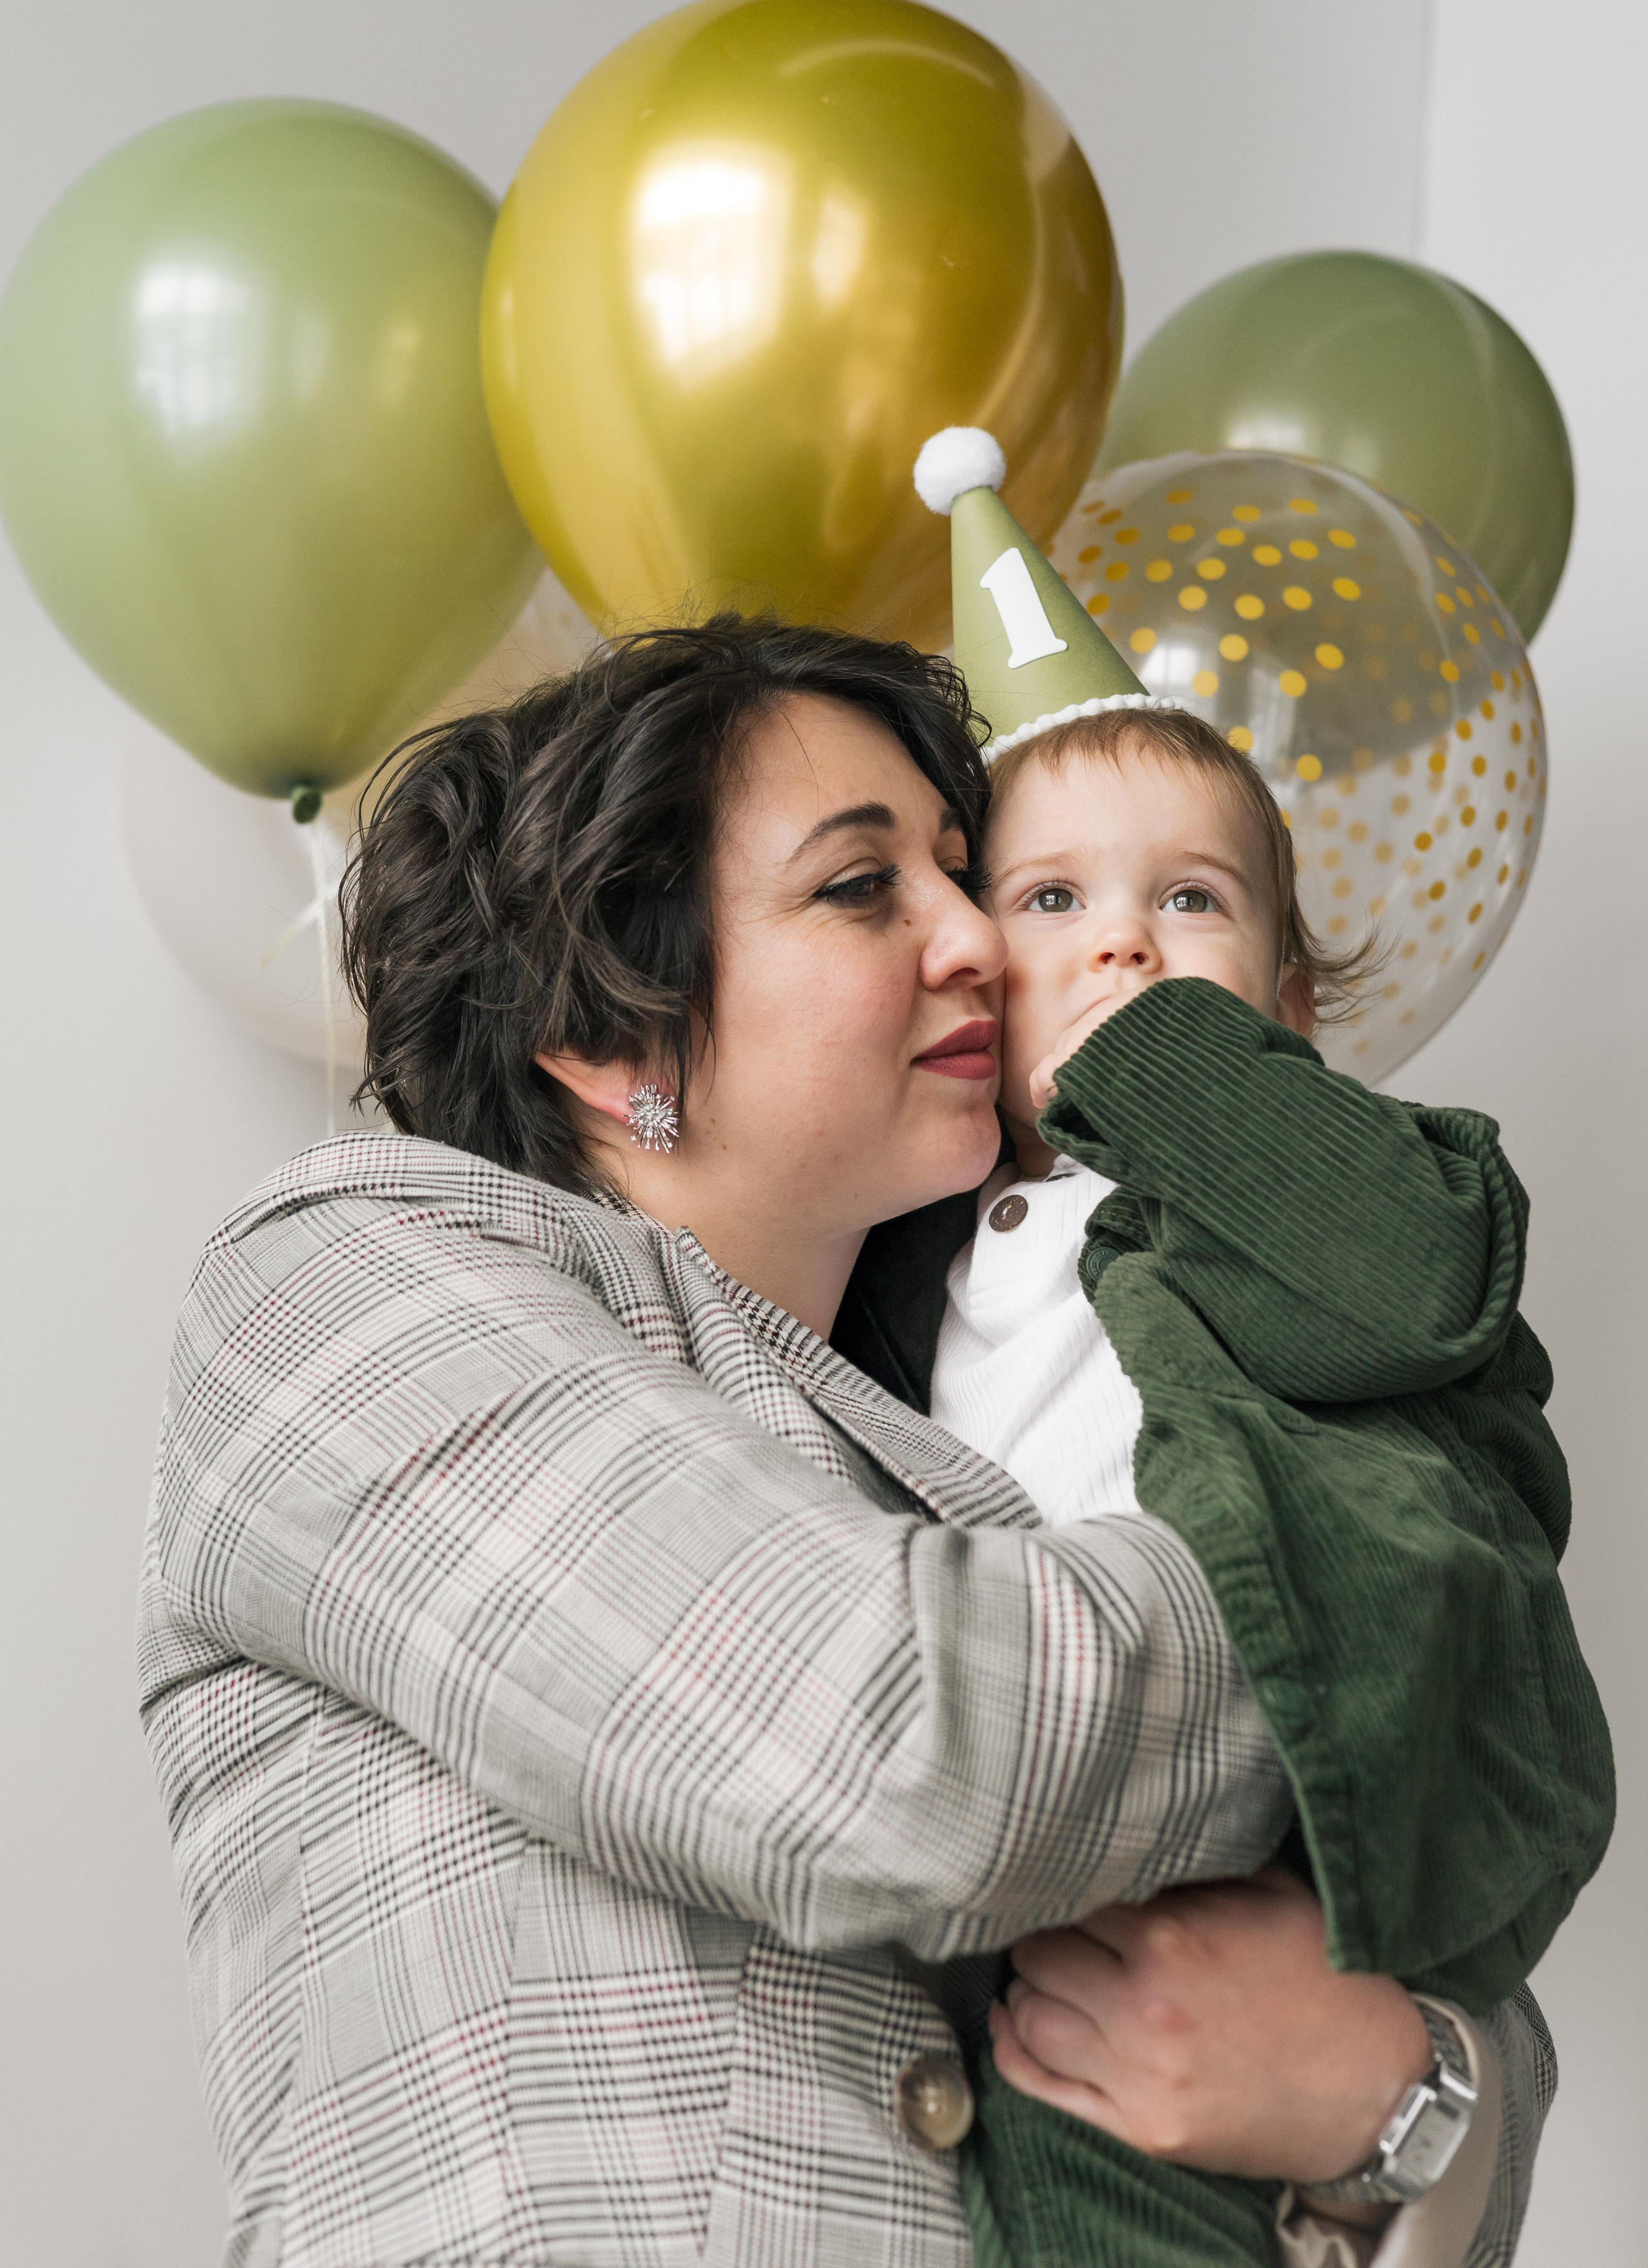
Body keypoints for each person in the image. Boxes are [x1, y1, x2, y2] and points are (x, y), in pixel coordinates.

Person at [140, 619, 1554, 2268]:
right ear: (606, 1031)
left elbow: (1458, 1966)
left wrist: (1399, 2089)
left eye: (965, 874)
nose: (977, 942)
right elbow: (902, 1749)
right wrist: (1421, 1581)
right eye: (861, 887)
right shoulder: (338, 1277)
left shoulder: (1023, 1382)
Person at [836, 701, 1611, 2265]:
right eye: (1049, 900)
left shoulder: (1317, 1193)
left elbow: (1417, 1284)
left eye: (1187, 901)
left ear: (1288, 998)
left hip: (1265, 1815)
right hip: (1010, 1827)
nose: (1122, 944)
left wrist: (1166, 1067)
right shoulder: (904, 1248)